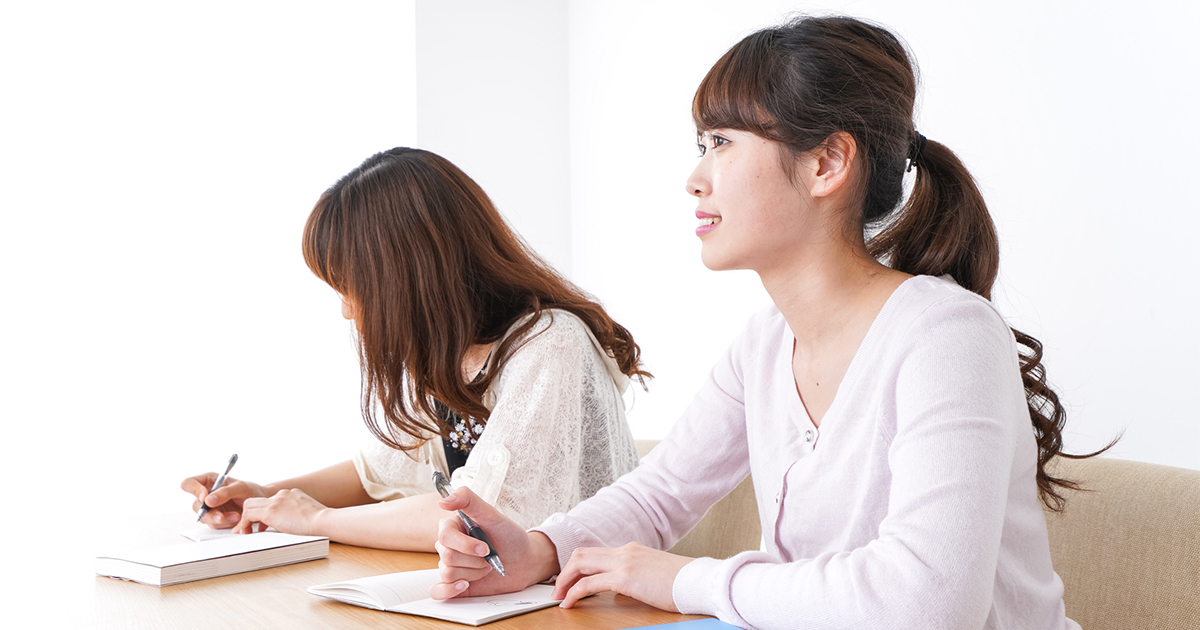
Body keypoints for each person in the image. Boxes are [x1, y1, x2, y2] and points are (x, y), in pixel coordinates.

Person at [429, 16, 1109, 629]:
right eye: (701, 143)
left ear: (826, 163)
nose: (695, 177)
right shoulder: (765, 344)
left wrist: (689, 580)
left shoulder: (946, 335)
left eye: (721, 142)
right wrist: (539, 550)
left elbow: (928, 604)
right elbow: (661, 493)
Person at [181, 147, 647, 550]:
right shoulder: (452, 355)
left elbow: (484, 517)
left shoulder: (550, 343)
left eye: (351, 288)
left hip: (593, 604)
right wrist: (264, 496)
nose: (347, 311)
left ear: (408, 277)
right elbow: (375, 474)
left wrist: (317, 520)